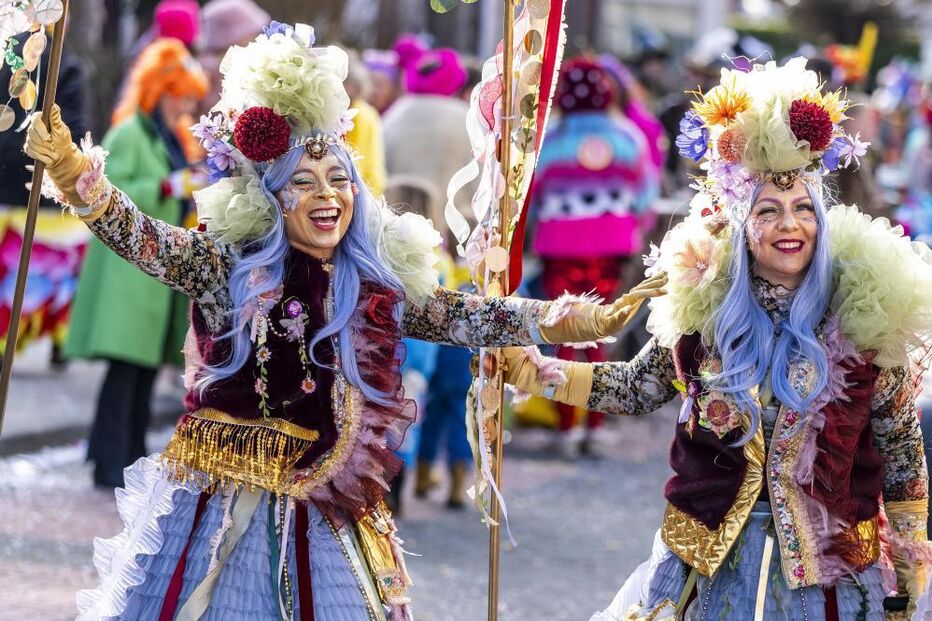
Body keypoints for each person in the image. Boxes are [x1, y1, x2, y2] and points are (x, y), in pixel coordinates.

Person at [25, 22, 664, 620]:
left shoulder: (372, 285)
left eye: (340, 179)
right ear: (270, 198)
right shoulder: (227, 267)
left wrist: (557, 320)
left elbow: (462, 315)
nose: (328, 195)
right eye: (304, 182)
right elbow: (141, 238)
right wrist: (74, 174)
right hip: (224, 501)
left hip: (331, 502)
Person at [503, 58, 932, 620]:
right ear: (740, 223)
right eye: (768, 211)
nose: (789, 225)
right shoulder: (705, 309)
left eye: (804, 209)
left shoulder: (864, 316)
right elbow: (638, 388)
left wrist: (910, 559)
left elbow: (900, 447)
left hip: (832, 577)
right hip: (707, 566)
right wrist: (536, 372)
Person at [66, 38, 208, 488]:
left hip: (152, 274)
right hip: (126, 275)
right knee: (125, 370)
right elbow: (105, 191)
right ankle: (110, 458)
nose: (186, 104)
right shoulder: (130, 133)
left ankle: (123, 454)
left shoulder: (169, 135)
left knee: (141, 372)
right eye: (181, 94)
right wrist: (167, 187)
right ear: (160, 91)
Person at [529, 56, 660, 458]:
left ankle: (566, 423)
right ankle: (595, 425)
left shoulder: (550, 141)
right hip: (610, 249)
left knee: (564, 335)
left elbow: (530, 197)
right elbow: (646, 197)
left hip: (560, 248)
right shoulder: (629, 138)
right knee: (602, 334)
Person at [0, 30, 88, 363]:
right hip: (45, 189)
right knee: (50, 278)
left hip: (10, 187)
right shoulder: (66, 57)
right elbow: (76, 128)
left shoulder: (8, 48)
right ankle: (58, 343)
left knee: (10, 283)